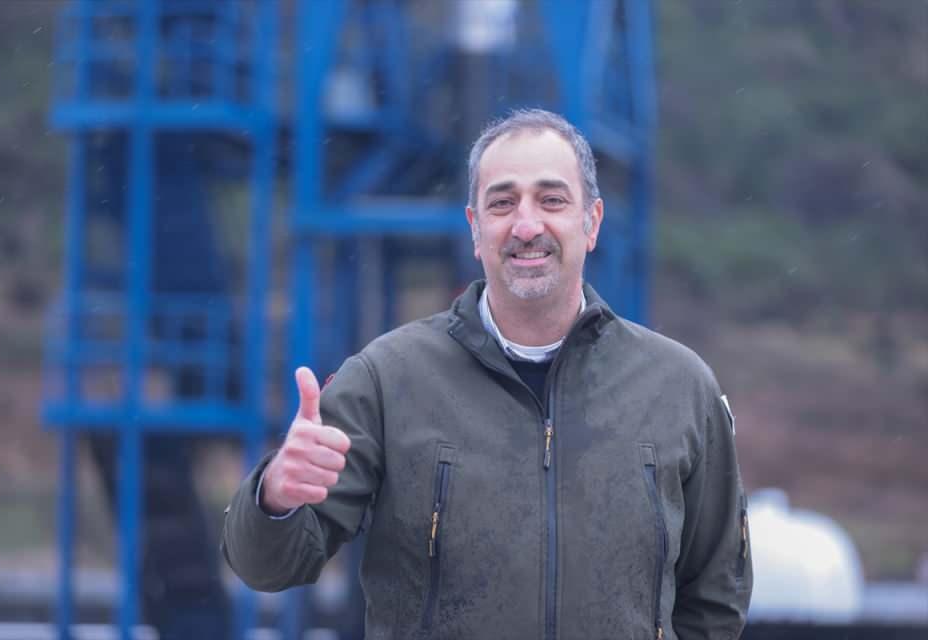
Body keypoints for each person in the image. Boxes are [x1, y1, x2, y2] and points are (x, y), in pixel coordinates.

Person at [222, 109, 753, 639]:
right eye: (502, 203)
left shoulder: (679, 388)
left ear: (591, 222)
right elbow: (266, 568)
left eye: (552, 200)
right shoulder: (387, 381)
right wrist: (275, 497)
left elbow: (716, 598)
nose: (526, 226)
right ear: (475, 229)